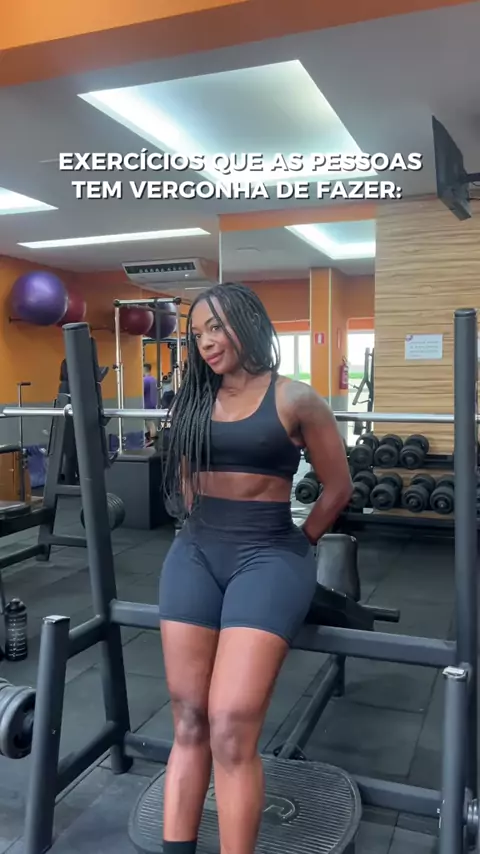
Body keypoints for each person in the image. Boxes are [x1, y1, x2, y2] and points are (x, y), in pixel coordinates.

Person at [160, 282, 353, 854]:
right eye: (198, 334)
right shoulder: (193, 399)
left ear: (247, 323)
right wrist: (198, 525)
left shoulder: (295, 398)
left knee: (230, 724)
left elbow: (338, 487)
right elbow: (185, 477)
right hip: (196, 552)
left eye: (216, 327)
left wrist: (299, 543)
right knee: (189, 719)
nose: (206, 342)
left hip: (269, 554)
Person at [143, 363, 158, 444]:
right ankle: (151, 439)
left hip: (147, 404)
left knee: (149, 423)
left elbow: (142, 391)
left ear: (144, 369)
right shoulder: (153, 379)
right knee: (150, 422)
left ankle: (152, 440)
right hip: (153, 402)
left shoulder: (145, 380)